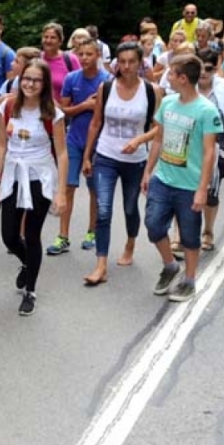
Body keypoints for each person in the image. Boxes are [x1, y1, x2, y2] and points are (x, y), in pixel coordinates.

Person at [141, 53, 224, 303]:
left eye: (171, 73)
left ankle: (189, 280)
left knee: (189, 235)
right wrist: (148, 171)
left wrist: (202, 189)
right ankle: (170, 266)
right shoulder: (167, 103)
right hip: (163, 179)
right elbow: (158, 139)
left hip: (189, 185)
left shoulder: (206, 110)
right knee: (154, 226)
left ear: (183, 78)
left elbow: (209, 152)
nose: (167, 77)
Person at [0, 59, 68, 315]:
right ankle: (27, 262)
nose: (30, 84)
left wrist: (61, 193)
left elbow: (62, 154)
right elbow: (2, 144)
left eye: (36, 80)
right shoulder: (8, 106)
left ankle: (30, 290)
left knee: (32, 235)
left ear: (44, 84)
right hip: (13, 174)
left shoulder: (52, 113)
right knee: (9, 236)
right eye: (26, 78)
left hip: (39, 176)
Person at [81, 41, 161, 285]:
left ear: (140, 63)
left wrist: (139, 140)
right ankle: (101, 265)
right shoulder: (106, 88)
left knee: (129, 207)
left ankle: (130, 244)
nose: (126, 66)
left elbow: (159, 128)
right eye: (122, 62)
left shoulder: (152, 91)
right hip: (106, 155)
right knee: (103, 209)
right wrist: (87, 156)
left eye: (131, 62)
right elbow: (96, 123)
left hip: (135, 160)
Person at [48, 38, 110, 255]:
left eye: (89, 54)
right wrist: (85, 105)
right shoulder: (71, 78)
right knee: (68, 187)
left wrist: (96, 107)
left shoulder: (107, 81)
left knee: (95, 189)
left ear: (98, 56)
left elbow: (108, 114)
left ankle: (92, 232)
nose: (84, 58)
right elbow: (63, 111)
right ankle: (63, 236)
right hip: (74, 139)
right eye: (81, 54)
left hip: (99, 142)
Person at [194, 51, 224, 252]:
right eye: (200, 68)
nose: (203, 73)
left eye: (209, 68)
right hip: (190, 143)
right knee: (182, 190)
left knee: (210, 191)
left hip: (216, 144)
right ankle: (179, 235)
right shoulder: (185, 85)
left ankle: (208, 230)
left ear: (216, 69)